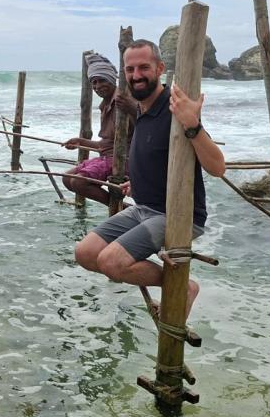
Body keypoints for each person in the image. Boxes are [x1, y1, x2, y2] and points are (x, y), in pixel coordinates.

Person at [73, 39, 225, 320]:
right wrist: (139, 182)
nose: (136, 75)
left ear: (160, 68)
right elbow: (156, 155)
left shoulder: (175, 110)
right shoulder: (142, 108)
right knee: (86, 252)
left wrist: (193, 124)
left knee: (112, 261)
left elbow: (217, 167)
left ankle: (182, 287)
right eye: (130, 69)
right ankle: (172, 280)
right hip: (144, 207)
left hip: (177, 214)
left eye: (144, 67)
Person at [61, 52, 136, 205]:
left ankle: (122, 209)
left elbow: (144, 125)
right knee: (67, 178)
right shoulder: (105, 104)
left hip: (124, 159)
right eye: (94, 83)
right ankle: (121, 208)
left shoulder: (123, 100)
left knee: (80, 182)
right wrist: (80, 141)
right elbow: (105, 144)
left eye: (102, 80)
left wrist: (131, 108)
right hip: (107, 157)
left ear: (111, 78)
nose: (97, 86)